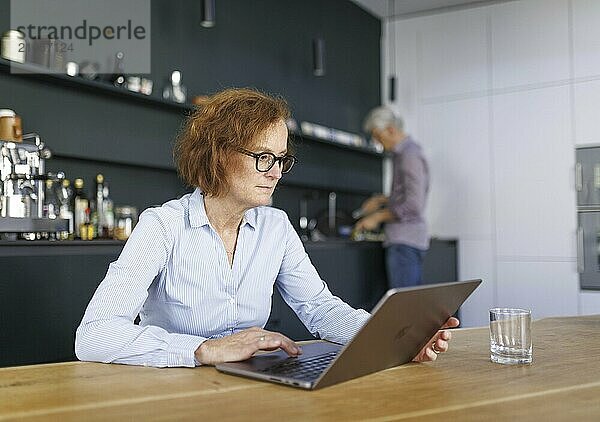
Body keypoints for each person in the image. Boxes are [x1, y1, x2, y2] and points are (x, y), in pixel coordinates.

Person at [75, 88, 454, 368]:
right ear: (219, 154)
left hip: (252, 387)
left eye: (280, 159)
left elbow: (320, 308)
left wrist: (398, 338)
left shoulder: (276, 227)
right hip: (176, 389)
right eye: (262, 157)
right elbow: (94, 335)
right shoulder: (162, 226)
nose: (275, 172)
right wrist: (202, 349)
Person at [355, 107, 429, 289]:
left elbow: (413, 205)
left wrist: (377, 216)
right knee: (410, 304)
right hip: (409, 240)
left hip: (405, 241)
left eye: (377, 135)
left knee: (405, 307)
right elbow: (408, 194)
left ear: (390, 129)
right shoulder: (406, 154)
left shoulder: (408, 155)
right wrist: (382, 200)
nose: (376, 141)